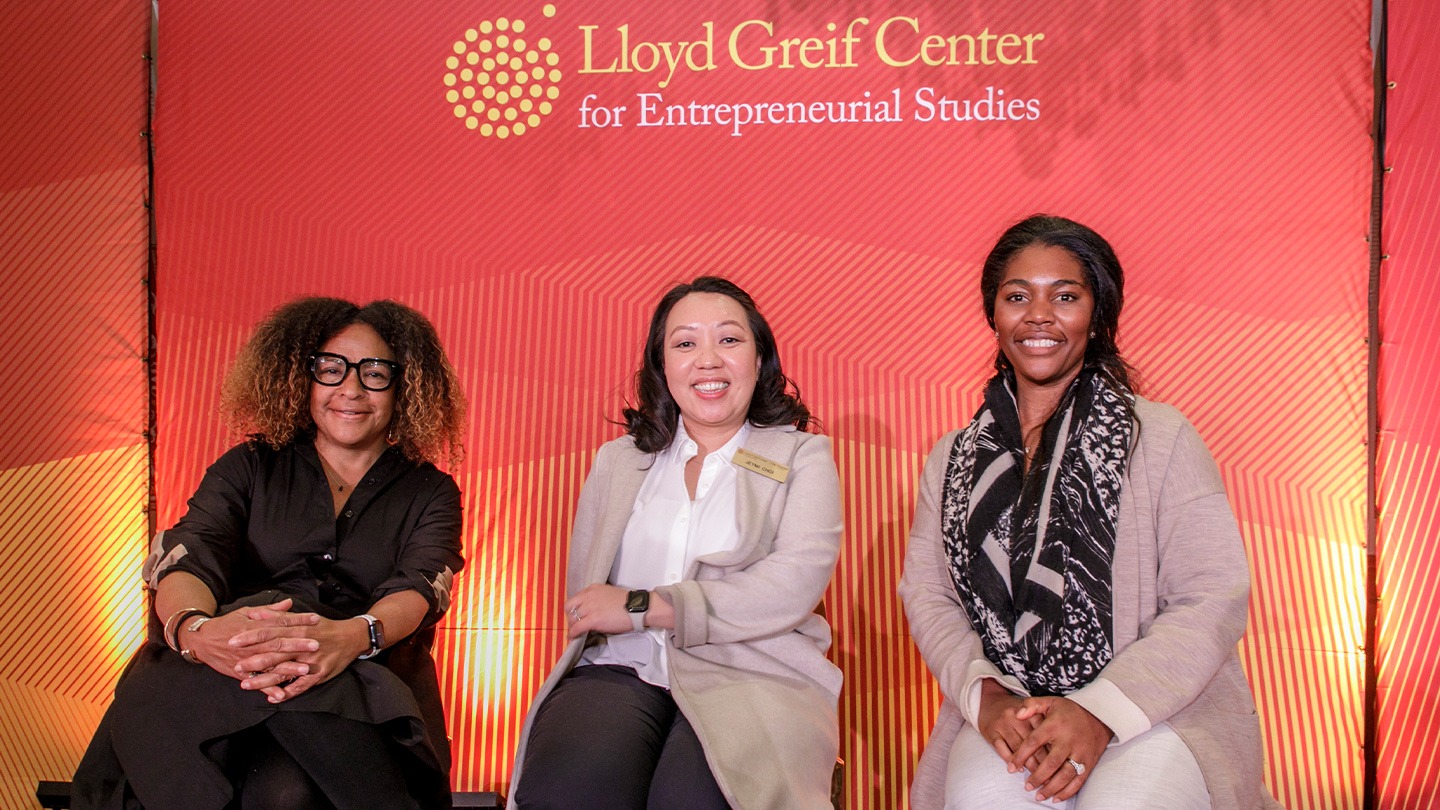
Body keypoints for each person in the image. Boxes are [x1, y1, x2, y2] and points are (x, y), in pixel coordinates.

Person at [898, 216, 1277, 809]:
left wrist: (1097, 711)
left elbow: (1211, 596)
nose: (1039, 315)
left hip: (1155, 708)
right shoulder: (953, 457)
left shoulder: (1161, 436)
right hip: (1011, 711)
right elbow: (929, 595)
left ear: (1098, 316)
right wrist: (987, 696)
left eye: (1066, 296)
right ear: (993, 313)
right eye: (1017, 296)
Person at [74, 297, 468, 810]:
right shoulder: (248, 465)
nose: (350, 389)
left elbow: (421, 586)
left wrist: (351, 637)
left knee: (283, 793)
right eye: (330, 369)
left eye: (374, 373)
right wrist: (197, 632)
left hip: (357, 680)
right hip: (223, 669)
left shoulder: (431, 491)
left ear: (405, 386)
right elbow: (188, 555)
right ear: (300, 379)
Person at [508, 276, 843, 809]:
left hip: (753, 672)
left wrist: (645, 605)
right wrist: (615, 614)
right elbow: (587, 593)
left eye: (729, 340)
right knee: (570, 789)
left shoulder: (802, 457)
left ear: (760, 359)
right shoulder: (618, 462)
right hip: (619, 668)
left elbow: (792, 585)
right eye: (685, 343)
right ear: (662, 367)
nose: (707, 360)